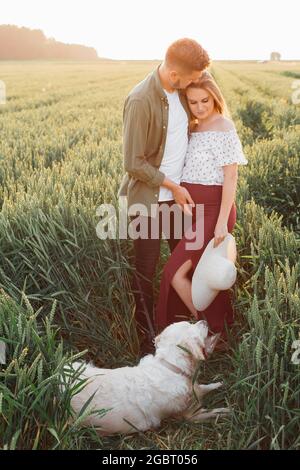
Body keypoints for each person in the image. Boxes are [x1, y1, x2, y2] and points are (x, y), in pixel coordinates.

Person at [117, 38, 210, 355]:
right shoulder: (141, 100)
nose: (194, 84)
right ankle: (148, 344)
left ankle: (185, 331)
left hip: (178, 198)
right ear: (173, 73)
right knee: (145, 271)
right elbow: (133, 162)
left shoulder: (180, 93)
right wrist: (172, 185)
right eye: (190, 79)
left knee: (183, 264)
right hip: (148, 203)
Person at [154, 71, 248, 342]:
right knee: (201, 274)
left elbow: (231, 176)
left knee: (174, 272)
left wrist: (220, 222)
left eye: (205, 100)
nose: (200, 107)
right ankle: (217, 327)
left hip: (213, 212)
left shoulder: (223, 127)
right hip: (192, 212)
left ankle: (208, 332)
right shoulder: (193, 127)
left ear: (215, 97)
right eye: (193, 102)